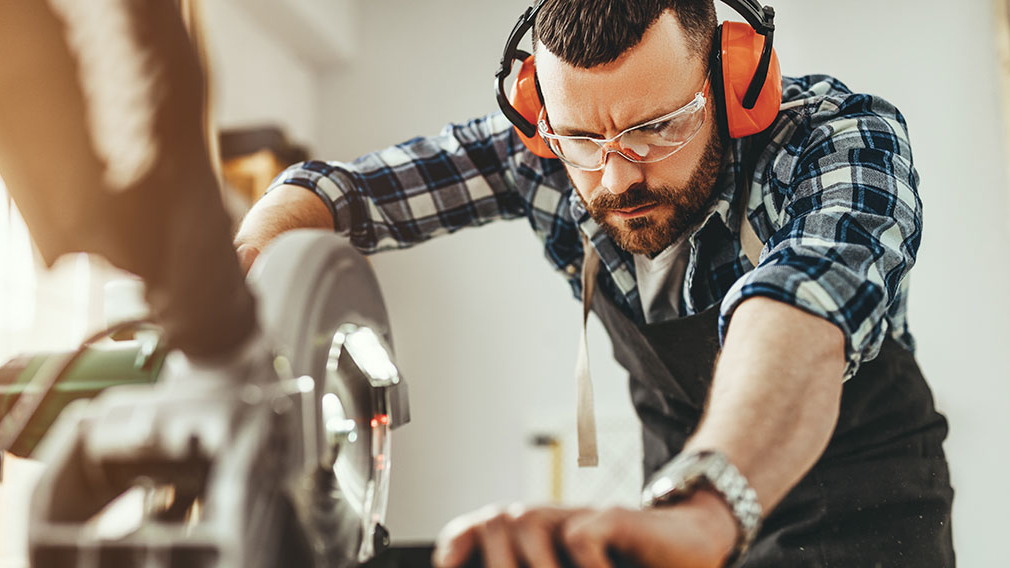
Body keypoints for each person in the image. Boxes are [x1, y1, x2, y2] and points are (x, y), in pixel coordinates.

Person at [235, 0, 954, 566]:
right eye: (583, 142)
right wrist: (241, 280)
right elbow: (342, 194)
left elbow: (800, 308)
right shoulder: (546, 151)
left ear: (734, 86)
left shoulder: (839, 142)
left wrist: (703, 510)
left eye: (657, 128)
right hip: (675, 522)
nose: (617, 176)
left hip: (860, 517)